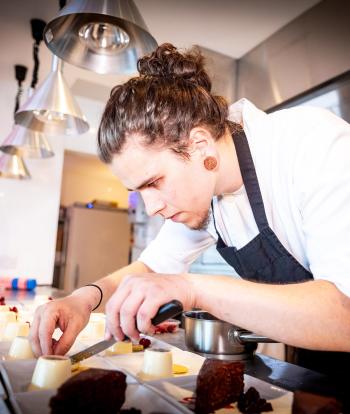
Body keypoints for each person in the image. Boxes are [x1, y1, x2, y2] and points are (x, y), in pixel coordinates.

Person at [30, 44, 350, 376]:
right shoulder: (206, 193)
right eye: (139, 191)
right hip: (317, 366)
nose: (151, 207)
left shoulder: (313, 146)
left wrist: (191, 288)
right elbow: (151, 268)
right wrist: (81, 300)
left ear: (200, 145)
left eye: (154, 182)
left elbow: (344, 314)